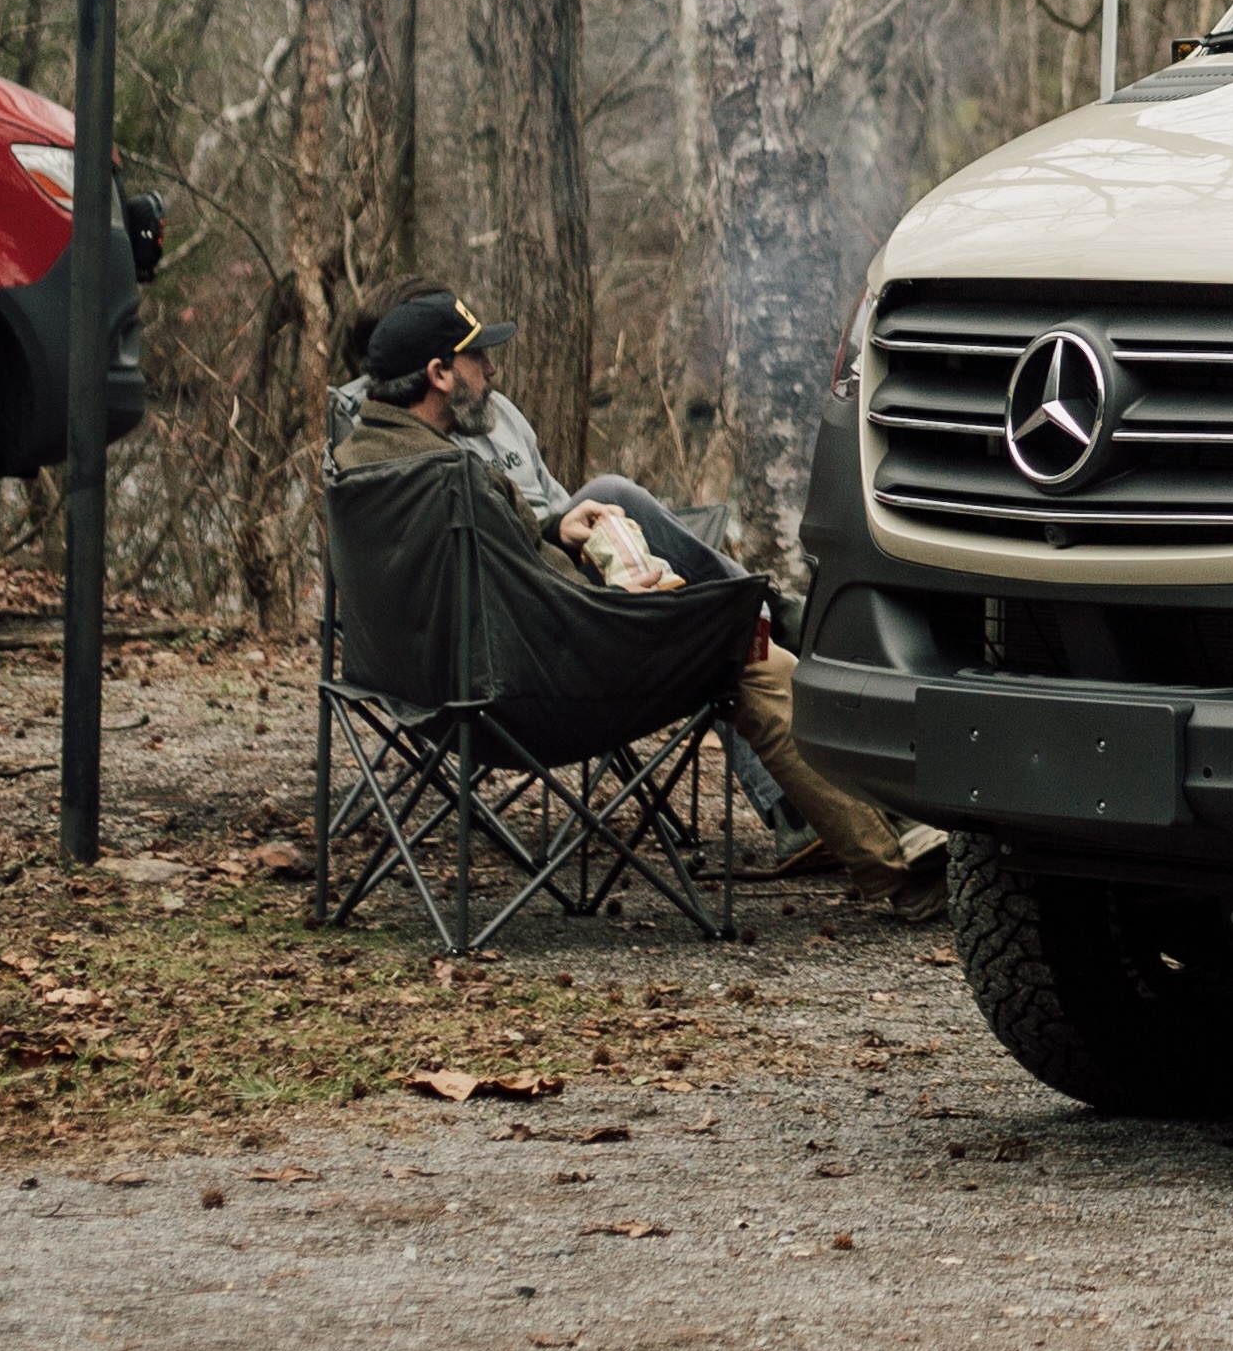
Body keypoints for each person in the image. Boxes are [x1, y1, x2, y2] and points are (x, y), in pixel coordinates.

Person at [327, 281, 942, 903]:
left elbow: (492, 566)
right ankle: (900, 871)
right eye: (476, 358)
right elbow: (541, 598)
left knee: (735, 629)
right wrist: (636, 601)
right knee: (752, 657)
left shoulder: (360, 461)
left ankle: (876, 831)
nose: (491, 369)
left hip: (429, 690)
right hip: (524, 691)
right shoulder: (454, 476)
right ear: (438, 374)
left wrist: (552, 529)